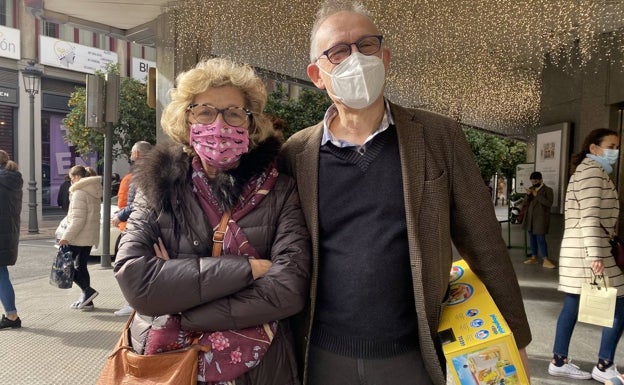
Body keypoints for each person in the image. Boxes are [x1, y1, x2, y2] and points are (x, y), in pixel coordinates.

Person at [279, 1, 532, 384]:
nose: (357, 59)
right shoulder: (296, 153)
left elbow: (484, 243)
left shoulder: (437, 136)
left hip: (413, 354)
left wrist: (517, 339)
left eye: (367, 45)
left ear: (385, 56)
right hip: (321, 354)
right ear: (317, 74)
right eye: (339, 51)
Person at [113, 57, 311, 384]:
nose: (219, 124)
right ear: (186, 117)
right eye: (205, 111)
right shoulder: (158, 186)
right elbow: (136, 281)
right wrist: (248, 269)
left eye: (234, 112)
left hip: (261, 371)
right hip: (169, 367)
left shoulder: (281, 190)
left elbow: (289, 288)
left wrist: (183, 306)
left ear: (251, 122)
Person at [548, 128, 624, 383]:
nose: (615, 151)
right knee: (620, 303)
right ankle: (603, 365)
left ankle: (559, 360)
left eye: (617, 146)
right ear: (594, 148)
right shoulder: (592, 173)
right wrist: (595, 254)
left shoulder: (588, 171)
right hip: (589, 249)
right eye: (611, 146)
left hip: (580, 248)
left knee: (573, 303)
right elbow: (589, 217)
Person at [111, 140, 153, 317]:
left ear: (137, 155)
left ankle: (134, 303)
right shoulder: (155, 170)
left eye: (131, 153)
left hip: (139, 226)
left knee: (129, 266)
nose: (130, 157)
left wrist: (120, 216)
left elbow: (139, 203)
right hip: (143, 225)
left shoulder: (143, 174)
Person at [58, 165, 102, 311]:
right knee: (81, 266)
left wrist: (65, 237)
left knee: (65, 266)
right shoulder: (94, 190)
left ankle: (87, 291)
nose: (71, 182)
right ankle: (87, 300)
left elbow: (78, 219)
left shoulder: (79, 193)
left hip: (78, 236)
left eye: (71, 178)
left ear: (77, 177)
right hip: (88, 235)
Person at [0, 150, 23, 329]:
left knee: (1, 275)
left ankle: (12, 315)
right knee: (2, 273)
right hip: (9, 233)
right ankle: (12, 314)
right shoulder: (13, 180)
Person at [522, 171, 556, 269]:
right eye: (532, 181)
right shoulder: (531, 189)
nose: (533, 183)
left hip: (540, 219)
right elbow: (524, 203)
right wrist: (528, 195)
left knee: (541, 239)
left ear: (541, 180)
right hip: (530, 218)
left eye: (535, 181)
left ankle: (545, 259)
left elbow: (549, 203)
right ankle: (534, 257)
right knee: (532, 239)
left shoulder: (548, 190)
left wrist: (537, 195)